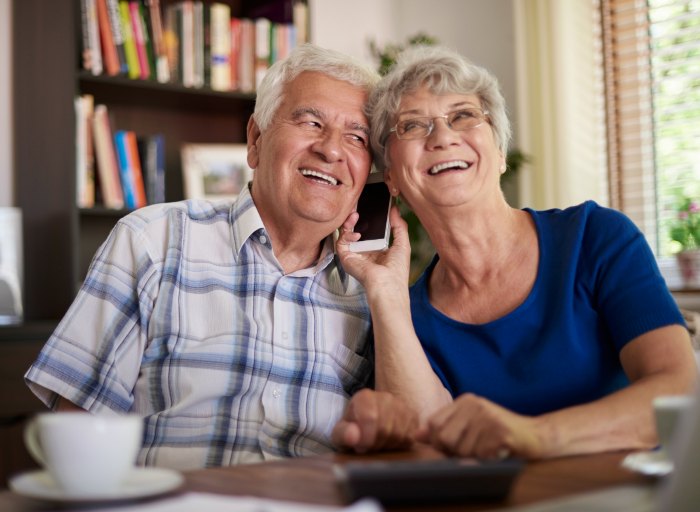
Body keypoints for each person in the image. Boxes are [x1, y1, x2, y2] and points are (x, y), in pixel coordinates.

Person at [24, 43, 412, 470]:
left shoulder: (369, 286)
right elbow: (77, 435)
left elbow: (409, 448)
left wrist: (386, 293)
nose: (331, 149)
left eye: (356, 137)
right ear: (255, 140)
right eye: (310, 121)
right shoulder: (152, 240)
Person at [336, 45, 698, 460]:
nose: (442, 136)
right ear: (392, 178)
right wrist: (385, 293)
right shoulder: (406, 318)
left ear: (501, 152)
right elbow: (425, 447)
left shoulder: (596, 238)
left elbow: (677, 391)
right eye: (412, 126)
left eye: (463, 115)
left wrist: (535, 436)